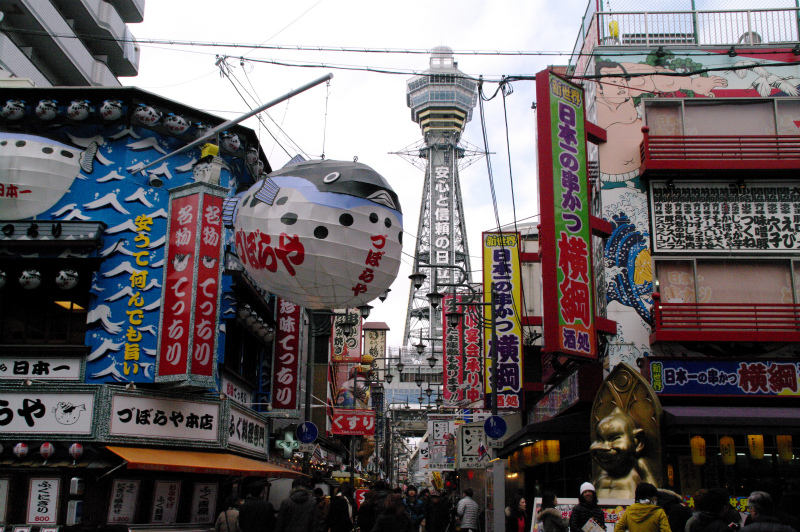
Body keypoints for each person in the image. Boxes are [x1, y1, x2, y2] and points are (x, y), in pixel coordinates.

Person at [590, 409, 658, 499]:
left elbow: (654, 493)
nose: (605, 447)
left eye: (614, 439)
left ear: (638, 442)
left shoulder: (639, 465)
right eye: (599, 440)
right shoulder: (600, 471)